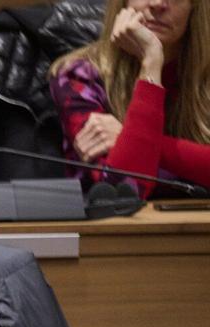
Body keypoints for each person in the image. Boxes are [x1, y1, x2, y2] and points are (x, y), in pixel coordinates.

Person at [51, 0, 210, 195]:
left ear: (195, 7)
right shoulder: (80, 76)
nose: (157, 3)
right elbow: (126, 189)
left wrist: (127, 137)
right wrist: (151, 61)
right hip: (112, 224)